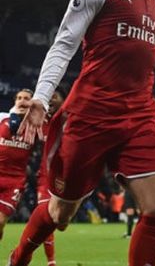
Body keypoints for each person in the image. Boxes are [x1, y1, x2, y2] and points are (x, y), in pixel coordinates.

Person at [8, 0, 155, 266]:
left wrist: (154, 123)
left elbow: (142, 73)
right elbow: (63, 45)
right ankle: (20, 255)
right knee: (60, 215)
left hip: (139, 117)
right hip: (90, 116)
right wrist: (41, 98)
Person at [34, 87, 68, 266]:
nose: (50, 100)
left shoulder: (73, 121)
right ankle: (51, 262)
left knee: (61, 223)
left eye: (54, 96)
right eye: (49, 97)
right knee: (47, 219)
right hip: (45, 179)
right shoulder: (41, 121)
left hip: (68, 180)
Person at [0, 89, 36, 244]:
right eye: (19, 98)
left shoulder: (37, 125)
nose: (22, 101)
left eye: (26, 98)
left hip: (14, 181)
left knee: (0, 222)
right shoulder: (2, 118)